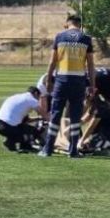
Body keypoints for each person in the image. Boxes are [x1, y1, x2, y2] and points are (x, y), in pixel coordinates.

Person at [39, 14, 96, 158]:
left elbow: (52, 61)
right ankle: (73, 151)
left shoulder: (59, 37)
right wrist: (92, 85)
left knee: (56, 113)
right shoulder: (86, 39)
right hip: (78, 81)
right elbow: (90, 65)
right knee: (76, 116)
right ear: (79, 25)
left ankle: (48, 149)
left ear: (67, 24)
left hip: (62, 80)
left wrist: (48, 80)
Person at [0, 86, 48, 153]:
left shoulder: (17, 97)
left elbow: (26, 120)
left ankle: (12, 142)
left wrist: (39, 118)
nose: (38, 100)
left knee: (26, 128)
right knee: (33, 131)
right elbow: (43, 113)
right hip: (8, 126)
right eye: (38, 97)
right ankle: (18, 144)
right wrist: (51, 120)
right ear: (36, 93)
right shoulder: (31, 99)